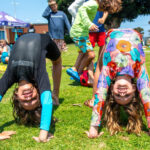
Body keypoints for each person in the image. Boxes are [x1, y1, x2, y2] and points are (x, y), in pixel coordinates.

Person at [87, 29, 150, 138]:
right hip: (134, 33)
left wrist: (93, 128)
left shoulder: (108, 71)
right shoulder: (138, 71)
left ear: (111, 89)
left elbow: (100, 96)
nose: (122, 93)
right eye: (127, 95)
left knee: (99, 68)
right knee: (146, 83)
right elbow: (147, 99)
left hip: (112, 34)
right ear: (134, 88)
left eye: (117, 95)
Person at [0, 33, 61, 142]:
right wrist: (43, 135)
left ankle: (55, 94)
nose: (28, 98)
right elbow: (47, 102)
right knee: (57, 61)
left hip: (24, 37)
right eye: (33, 99)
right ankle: (55, 94)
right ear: (38, 93)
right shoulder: (38, 74)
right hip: (44, 40)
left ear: (17, 97)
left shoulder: (10, 76)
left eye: (26, 101)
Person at [67, 0, 122, 84]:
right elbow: (81, 9)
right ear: (104, 6)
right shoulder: (93, 4)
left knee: (85, 53)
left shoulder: (95, 6)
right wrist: (89, 24)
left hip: (82, 33)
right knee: (91, 54)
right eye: (106, 10)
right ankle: (78, 72)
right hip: (78, 33)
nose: (104, 12)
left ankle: (75, 70)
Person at [84, 11, 108, 106]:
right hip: (90, 30)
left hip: (101, 30)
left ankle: (100, 74)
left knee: (102, 55)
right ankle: (90, 76)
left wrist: (103, 19)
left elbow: (106, 10)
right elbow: (83, 13)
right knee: (90, 54)